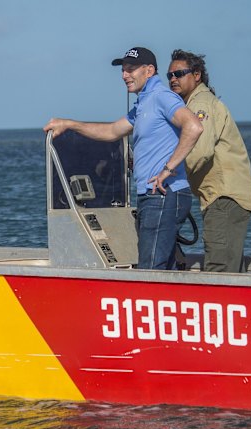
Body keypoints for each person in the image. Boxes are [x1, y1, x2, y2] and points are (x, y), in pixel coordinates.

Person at [44, 46, 202, 270]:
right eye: (123, 70)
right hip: (152, 197)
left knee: (150, 270)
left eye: (130, 69)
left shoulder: (161, 96)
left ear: (149, 71)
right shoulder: (143, 104)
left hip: (165, 195)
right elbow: (112, 132)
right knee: (164, 267)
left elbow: (194, 126)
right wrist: (69, 124)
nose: (124, 75)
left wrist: (168, 169)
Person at [167, 49, 251, 272]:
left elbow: (200, 150)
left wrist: (167, 174)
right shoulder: (195, 104)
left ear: (197, 75)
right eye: (170, 76)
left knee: (219, 268)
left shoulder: (201, 104)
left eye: (179, 74)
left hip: (223, 196)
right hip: (225, 196)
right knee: (229, 266)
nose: (173, 80)